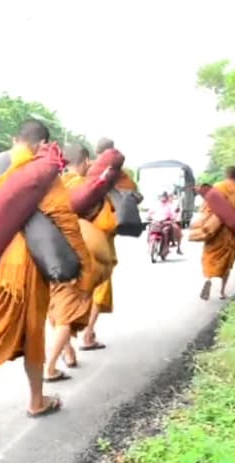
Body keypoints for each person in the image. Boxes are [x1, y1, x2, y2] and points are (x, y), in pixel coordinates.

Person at [0, 119, 76, 445]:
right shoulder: (45, 175)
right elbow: (64, 221)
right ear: (44, 145)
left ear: (15, 139)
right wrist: (76, 267)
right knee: (33, 334)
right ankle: (36, 401)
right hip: (29, 267)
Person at [80, 138, 140, 351]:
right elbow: (133, 193)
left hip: (81, 232)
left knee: (78, 284)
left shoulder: (87, 171)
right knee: (100, 284)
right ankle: (88, 333)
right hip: (102, 234)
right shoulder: (119, 175)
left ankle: (67, 340)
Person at [43, 143, 95, 380]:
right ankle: (50, 367)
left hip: (44, 255)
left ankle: (67, 351)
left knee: (56, 308)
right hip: (67, 258)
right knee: (66, 310)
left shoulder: (49, 187)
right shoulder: (83, 187)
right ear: (86, 162)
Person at [196, 166, 235, 300]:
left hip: (215, 230)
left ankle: (208, 279)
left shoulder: (217, 187)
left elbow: (205, 208)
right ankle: (221, 292)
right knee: (227, 262)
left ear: (226, 175)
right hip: (231, 233)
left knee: (210, 256)